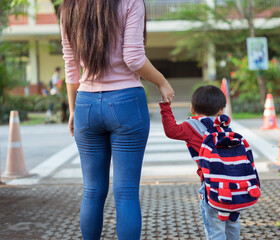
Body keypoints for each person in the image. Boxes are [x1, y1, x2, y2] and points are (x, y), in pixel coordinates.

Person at [60, 0, 174, 239]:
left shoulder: (69, 6)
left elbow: (71, 66)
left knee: (92, 190)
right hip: (126, 102)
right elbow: (133, 58)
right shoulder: (130, 2)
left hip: (86, 104)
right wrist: (161, 81)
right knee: (126, 192)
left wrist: (73, 110)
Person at [160, 85, 241, 240]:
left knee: (216, 229)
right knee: (232, 226)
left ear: (192, 108)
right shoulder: (225, 128)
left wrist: (165, 107)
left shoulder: (190, 127)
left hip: (212, 187)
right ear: (221, 111)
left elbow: (171, 131)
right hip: (234, 187)